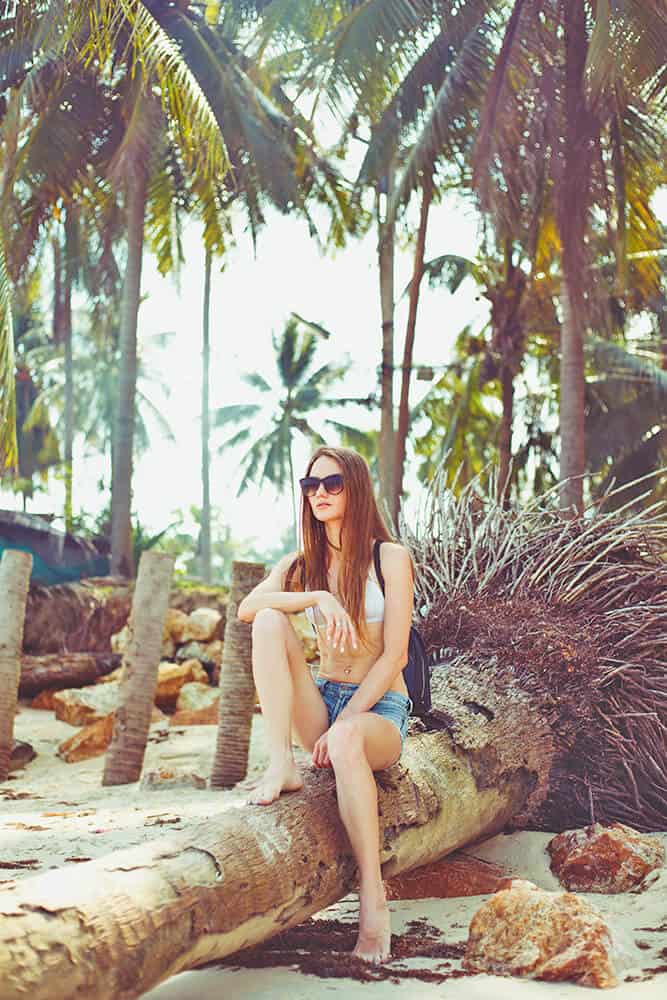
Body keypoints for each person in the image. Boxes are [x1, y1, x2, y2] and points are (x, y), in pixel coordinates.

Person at [237, 445, 414, 964]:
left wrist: (353, 718)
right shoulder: (303, 563)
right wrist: (316, 597)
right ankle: (280, 765)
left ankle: (373, 899)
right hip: (324, 700)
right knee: (271, 622)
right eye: (310, 485)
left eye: (331, 483)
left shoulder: (390, 557)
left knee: (347, 737)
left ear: (354, 488)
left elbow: (396, 654)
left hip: (378, 709)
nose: (319, 494)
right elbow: (250, 608)